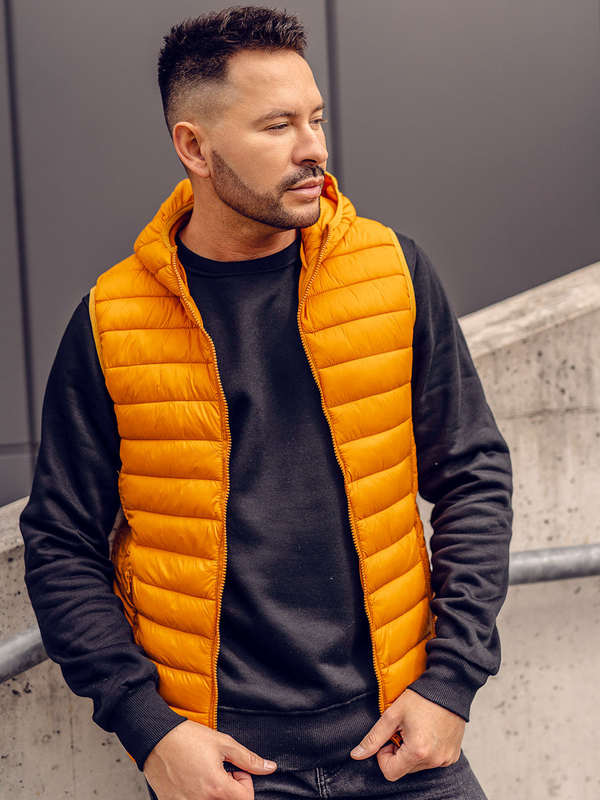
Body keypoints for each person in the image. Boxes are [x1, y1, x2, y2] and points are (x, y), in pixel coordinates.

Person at [21, 7, 512, 800]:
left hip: (401, 743)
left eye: (316, 119)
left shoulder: (392, 273)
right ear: (195, 148)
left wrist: (451, 684)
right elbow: (60, 541)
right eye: (279, 125)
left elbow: (473, 473)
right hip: (227, 768)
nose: (314, 147)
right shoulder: (113, 322)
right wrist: (152, 732)